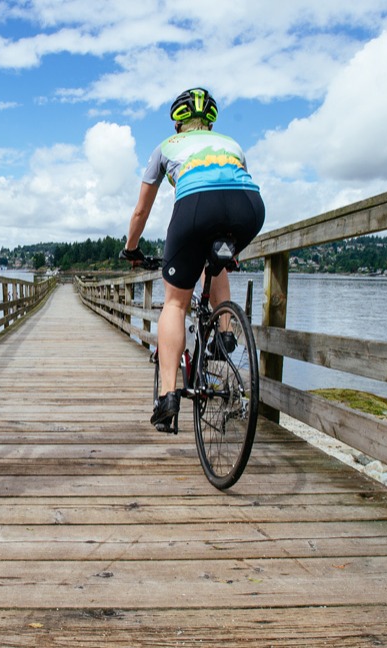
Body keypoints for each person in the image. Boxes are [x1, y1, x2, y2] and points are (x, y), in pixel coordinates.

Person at [121, 87, 266, 429]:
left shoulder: (165, 148)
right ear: (210, 122)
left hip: (196, 207)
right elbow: (233, 183)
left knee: (174, 303)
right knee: (218, 259)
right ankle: (226, 331)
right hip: (249, 208)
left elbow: (142, 210)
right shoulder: (233, 145)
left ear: (177, 122)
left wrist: (131, 248)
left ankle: (168, 396)